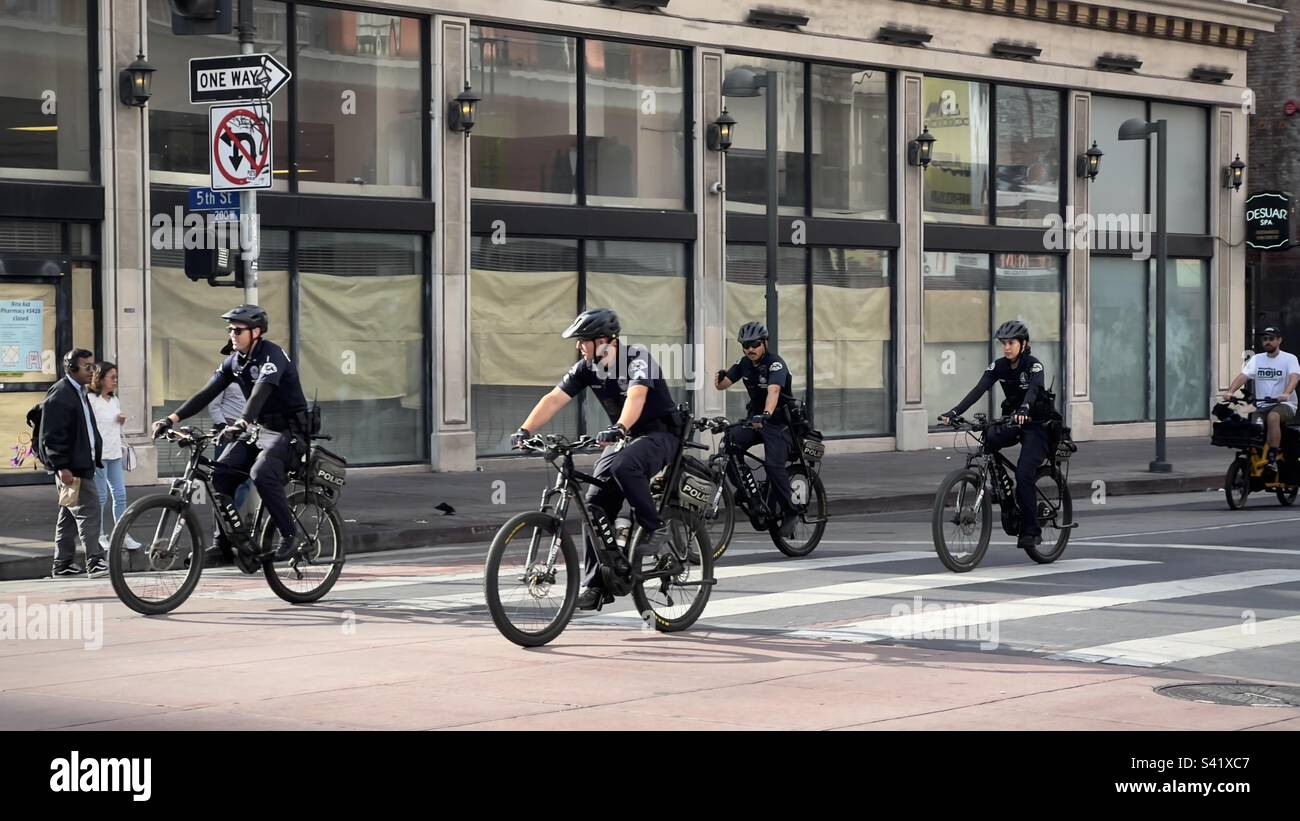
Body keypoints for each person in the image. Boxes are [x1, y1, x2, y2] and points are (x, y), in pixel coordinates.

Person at [509, 308, 682, 611]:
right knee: (594, 505)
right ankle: (596, 585)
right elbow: (554, 398)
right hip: (624, 437)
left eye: (583, 340)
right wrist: (524, 430)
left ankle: (654, 526)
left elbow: (637, 396)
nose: (579, 346)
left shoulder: (637, 358)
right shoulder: (587, 367)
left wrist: (619, 428)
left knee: (623, 464)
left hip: (658, 435)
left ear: (603, 340)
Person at [152, 305, 310, 563]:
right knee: (220, 475)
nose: (232, 334)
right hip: (258, 429)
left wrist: (241, 422)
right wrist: (171, 419)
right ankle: (223, 545)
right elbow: (206, 393)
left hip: (288, 431)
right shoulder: (235, 361)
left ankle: (290, 535)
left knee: (262, 474)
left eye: (238, 330)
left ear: (256, 332)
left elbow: (260, 393)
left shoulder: (272, 356)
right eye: (230, 329)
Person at [939, 320, 1052, 551]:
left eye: (1011, 343)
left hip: (1037, 424)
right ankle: (1002, 487)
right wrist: (954, 412)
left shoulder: (1034, 365)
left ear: (1024, 344)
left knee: (1024, 473)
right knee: (989, 437)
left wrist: (1025, 408)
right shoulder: (999, 366)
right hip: (1013, 420)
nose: (1007, 347)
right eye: (1004, 344)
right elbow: (979, 389)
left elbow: (1034, 389)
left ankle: (1032, 531)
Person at [713, 321, 798, 537]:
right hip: (756, 420)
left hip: (778, 422)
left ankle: (790, 512)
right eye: (745, 345)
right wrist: (720, 379)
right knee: (729, 445)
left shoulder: (775, 364)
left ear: (765, 343)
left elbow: (774, 391)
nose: (750, 349)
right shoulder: (745, 363)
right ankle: (747, 491)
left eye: (755, 344)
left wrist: (767, 414)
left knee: (773, 465)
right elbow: (723, 384)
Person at [39, 349, 105, 577]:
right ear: (71, 368)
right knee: (90, 510)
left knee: (68, 515)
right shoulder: (60, 393)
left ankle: (63, 563)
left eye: (93, 366)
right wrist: (60, 465)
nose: (92, 371)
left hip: (79, 463)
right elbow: (52, 434)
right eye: (87, 367)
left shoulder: (79, 392)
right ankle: (94, 560)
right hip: (72, 467)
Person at [1222, 326, 1300, 480]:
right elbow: (1243, 376)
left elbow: (1294, 377)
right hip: (1262, 405)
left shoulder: (1289, 358)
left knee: (1273, 417)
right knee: (1253, 426)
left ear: (1279, 341)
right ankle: (1254, 461)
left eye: (1271, 339)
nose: (1268, 342)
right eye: (1265, 339)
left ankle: (1273, 458)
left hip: (1285, 405)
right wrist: (1231, 391)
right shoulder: (1257, 359)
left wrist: (1286, 393)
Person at [204, 341, 256, 564]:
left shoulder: (254, 375)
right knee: (222, 482)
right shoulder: (224, 375)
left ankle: (233, 521)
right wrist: (223, 427)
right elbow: (212, 404)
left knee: (245, 482)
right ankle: (225, 532)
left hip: (250, 432)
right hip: (228, 432)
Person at [87, 361, 141, 551]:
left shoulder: (114, 400)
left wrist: (120, 420)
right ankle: (100, 535)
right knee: (101, 497)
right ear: (100, 378)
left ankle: (122, 534)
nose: (115, 381)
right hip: (98, 455)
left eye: (116, 377)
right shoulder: (91, 400)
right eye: (112, 377)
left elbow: (112, 426)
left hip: (115, 453)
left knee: (120, 495)